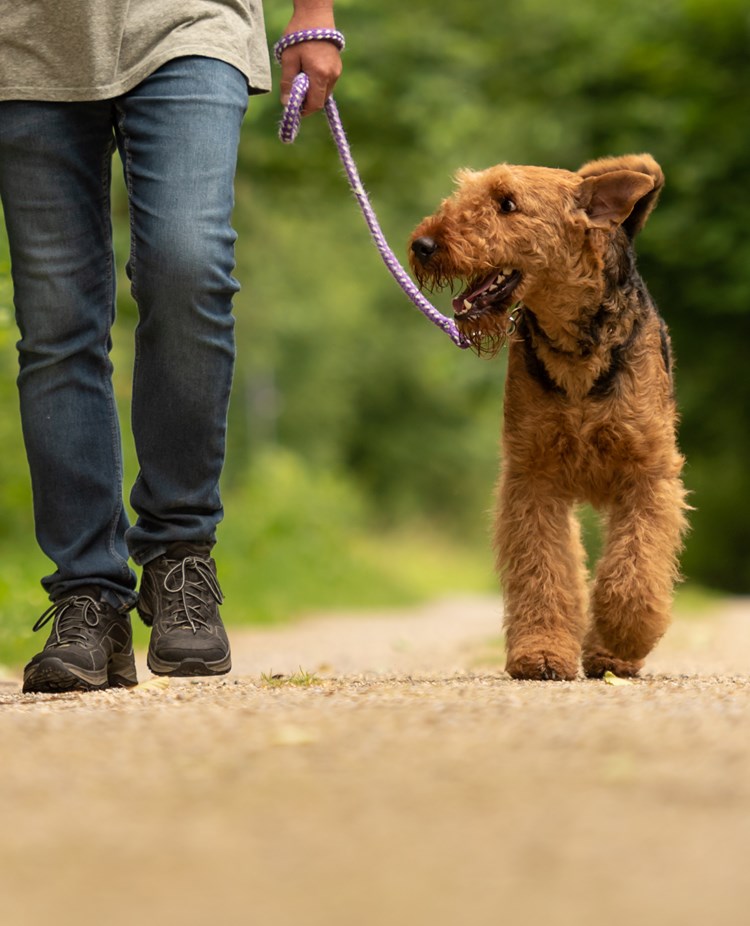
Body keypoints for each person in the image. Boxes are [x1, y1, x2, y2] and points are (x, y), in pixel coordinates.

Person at [0, 1, 343, 693]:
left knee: (189, 266)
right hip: (25, 42)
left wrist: (313, 13)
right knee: (55, 323)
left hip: (191, 20)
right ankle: (87, 597)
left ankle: (180, 553)